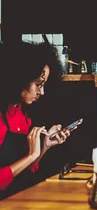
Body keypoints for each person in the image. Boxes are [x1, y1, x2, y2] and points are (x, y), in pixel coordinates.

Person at [0, 42, 71, 199]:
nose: (42, 91)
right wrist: (31, 156)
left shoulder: (23, 116)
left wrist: (44, 146)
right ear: (20, 78)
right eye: (38, 84)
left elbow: (26, 171)